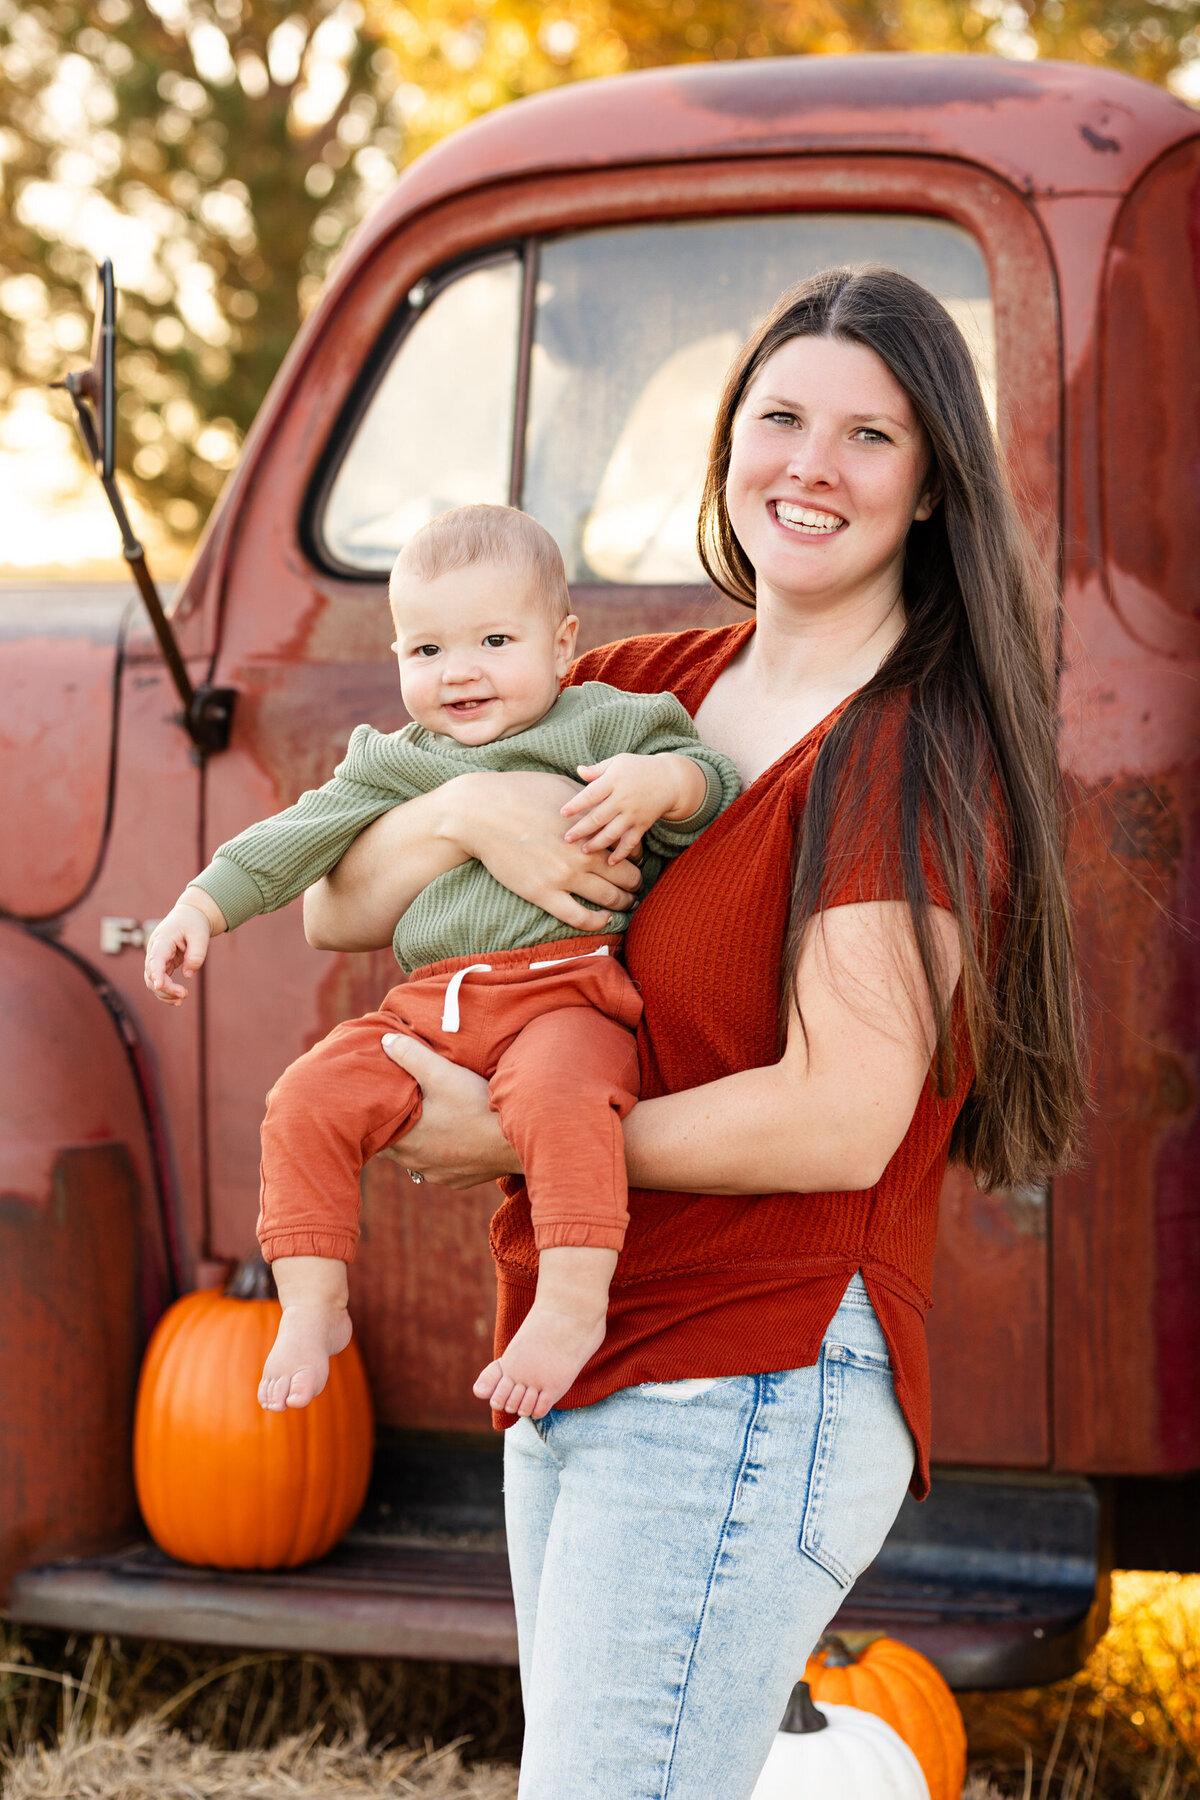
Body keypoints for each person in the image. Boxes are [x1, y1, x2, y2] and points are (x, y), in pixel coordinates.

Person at [304, 265, 1087, 1799]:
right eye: (780, 416)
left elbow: (840, 1112)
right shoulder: (638, 690)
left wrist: (522, 1140)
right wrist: (461, 801)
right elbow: (340, 891)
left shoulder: (903, 751)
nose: (810, 463)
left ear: (932, 488)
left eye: (870, 436)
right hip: (594, 1347)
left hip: (751, 1376)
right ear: (729, 440)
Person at [143, 505, 740, 1422]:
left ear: (560, 642)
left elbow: (711, 781)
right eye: (424, 651)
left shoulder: (606, 723)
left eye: (494, 640)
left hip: (564, 995)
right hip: (430, 1008)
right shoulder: (395, 763)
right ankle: (313, 1304)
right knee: (302, 1099)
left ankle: (573, 1303)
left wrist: (662, 783)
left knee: (562, 1101)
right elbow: (295, 841)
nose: (457, 671)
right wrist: (201, 907)